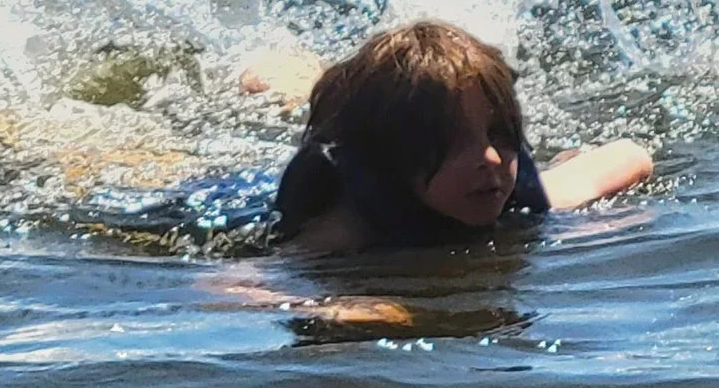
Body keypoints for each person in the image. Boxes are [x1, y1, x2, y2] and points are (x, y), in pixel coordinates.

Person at [260, 21, 652, 257]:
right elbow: (234, 285)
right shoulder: (347, 229)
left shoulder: (521, 194)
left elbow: (631, 156)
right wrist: (354, 308)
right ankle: (281, 76)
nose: (491, 159)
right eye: (455, 141)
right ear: (392, 157)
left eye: (499, 135)